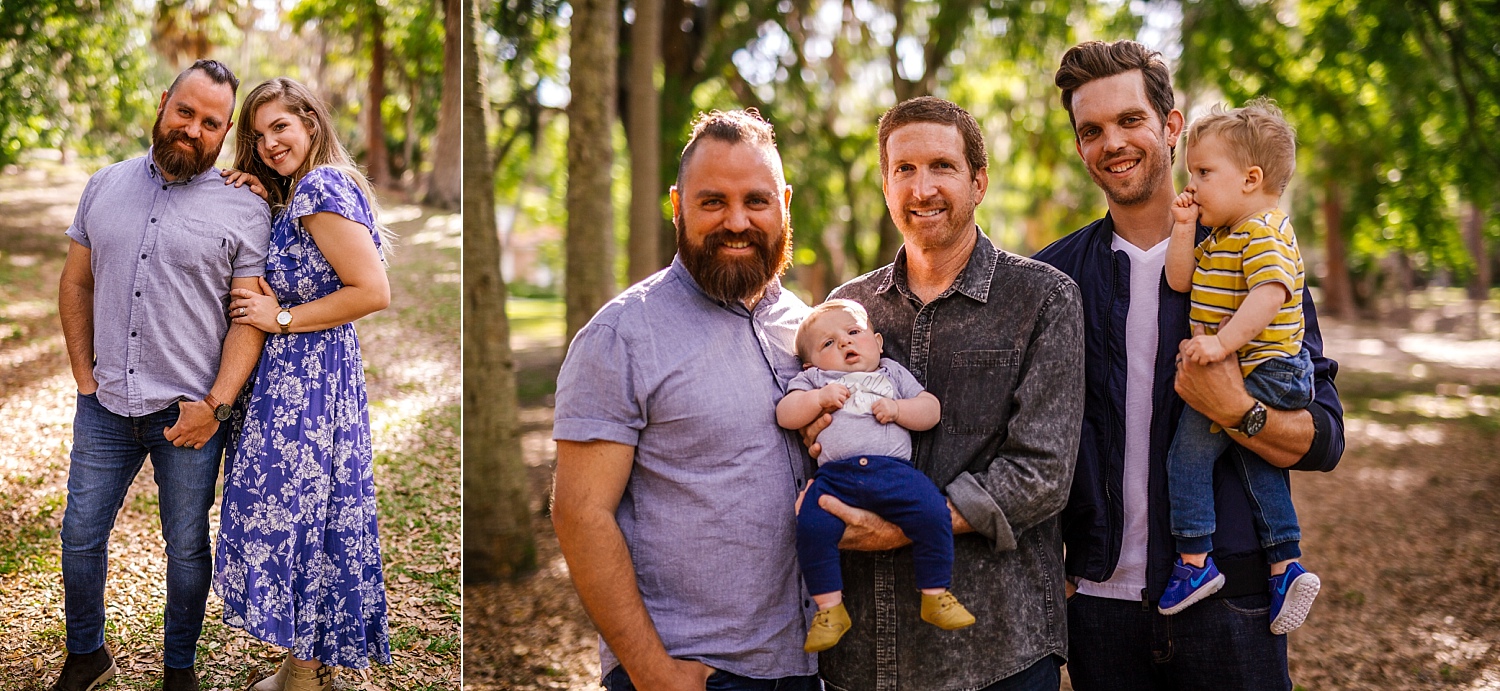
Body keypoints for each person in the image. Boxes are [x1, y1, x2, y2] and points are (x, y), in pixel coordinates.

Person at [1035, 39, 1345, 690]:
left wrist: (1238, 410)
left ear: (1170, 127)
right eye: (1090, 130)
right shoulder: (1053, 278)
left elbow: (1324, 436)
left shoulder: (1255, 255)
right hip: (1097, 603)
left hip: (1232, 598)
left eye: (1128, 120)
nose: (1111, 142)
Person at [810, 96, 1085, 691]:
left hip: (998, 651)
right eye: (903, 170)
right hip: (866, 657)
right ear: (886, 185)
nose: (922, 187)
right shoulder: (849, 310)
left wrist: (908, 522)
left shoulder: (1042, 299)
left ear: (978, 181)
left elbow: (1042, 472)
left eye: (942, 166)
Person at [551, 109, 820, 691]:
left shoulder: (809, 331)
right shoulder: (622, 336)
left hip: (811, 667)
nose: (737, 221)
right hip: (694, 673)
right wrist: (653, 673)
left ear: (785, 204)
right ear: (677, 205)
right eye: (712, 202)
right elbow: (580, 513)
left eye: (756, 200)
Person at [53, 59, 271, 691]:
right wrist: (82, 378)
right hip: (104, 405)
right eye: (186, 112)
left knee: (186, 550)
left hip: (189, 416)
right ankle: (87, 653)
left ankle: (180, 670)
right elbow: (75, 282)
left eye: (211, 123)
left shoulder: (244, 208)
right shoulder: (103, 184)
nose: (193, 130)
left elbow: (248, 318)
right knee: (80, 536)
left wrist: (216, 405)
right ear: (162, 105)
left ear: (225, 132)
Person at [212, 77, 393, 691]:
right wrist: (267, 198)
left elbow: (372, 292)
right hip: (307, 376)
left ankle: (307, 673)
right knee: (310, 517)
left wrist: (278, 316)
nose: (268, 143)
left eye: (280, 128)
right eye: (258, 136)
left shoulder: (320, 186)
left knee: (291, 517)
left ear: (311, 122)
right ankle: (305, 664)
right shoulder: (307, 191)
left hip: (307, 380)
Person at [1158, 98, 1321, 632]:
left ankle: (1194, 563)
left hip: (1263, 368)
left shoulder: (1264, 230)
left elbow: (1271, 293)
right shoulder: (1224, 236)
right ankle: (1285, 563)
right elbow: (1180, 281)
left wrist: (1220, 345)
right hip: (1254, 368)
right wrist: (1183, 229)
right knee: (1257, 466)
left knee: (1186, 458)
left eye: (1204, 172)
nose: (1193, 185)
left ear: (1251, 178)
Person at [776, 298, 971, 653]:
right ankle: (830, 608)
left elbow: (930, 410)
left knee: (932, 511)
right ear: (810, 363)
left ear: (878, 342)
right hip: (836, 476)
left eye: (853, 332)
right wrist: (818, 398)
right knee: (812, 526)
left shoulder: (891, 374)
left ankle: (935, 593)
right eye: (828, 343)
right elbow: (786, 414)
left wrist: (898, 409)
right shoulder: (815, 379)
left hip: (894, 472)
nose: (845, 343)